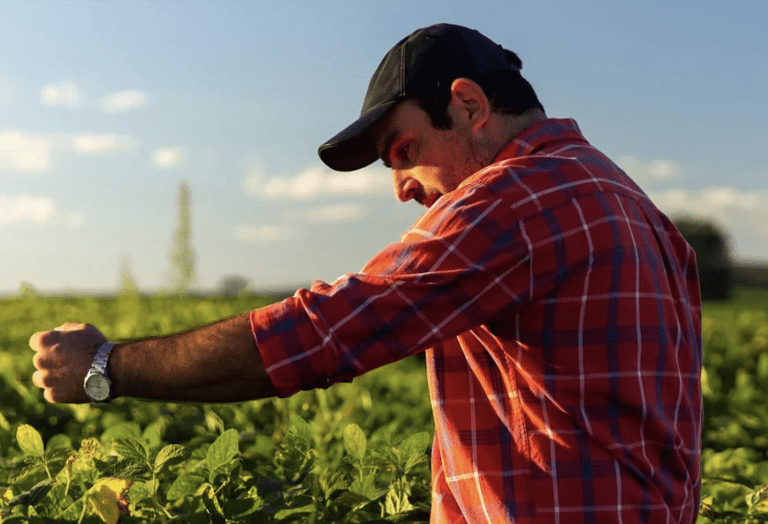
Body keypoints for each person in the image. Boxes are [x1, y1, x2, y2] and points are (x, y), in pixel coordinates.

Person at [30, 23, 702, 523]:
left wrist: (106, 366)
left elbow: (324, 334)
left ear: (468, 105)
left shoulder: (516, 201)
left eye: (404, 151)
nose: (402, 188)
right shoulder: (632, 204)